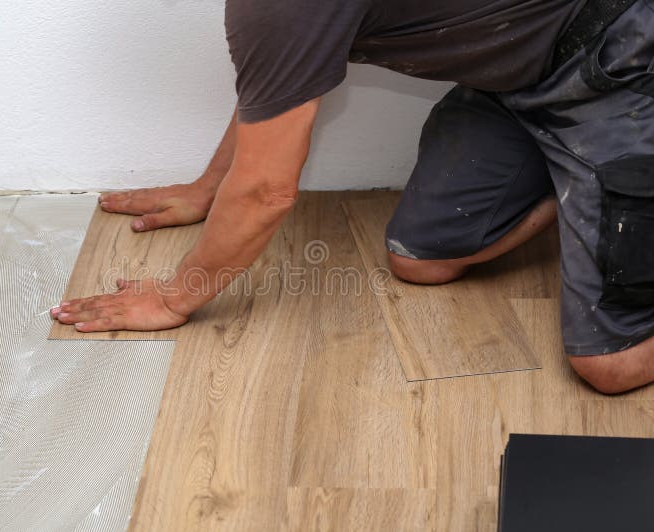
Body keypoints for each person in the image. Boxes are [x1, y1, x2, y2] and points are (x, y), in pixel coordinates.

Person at [52, 0, 654, 394]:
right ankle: (587, 184)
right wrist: (209, 188)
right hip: (519, 79)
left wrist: (174, 299)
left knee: (610, 365)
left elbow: (267, 191)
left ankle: (607, 180)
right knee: (422, 259)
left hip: (624, 57)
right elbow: (283, 72)